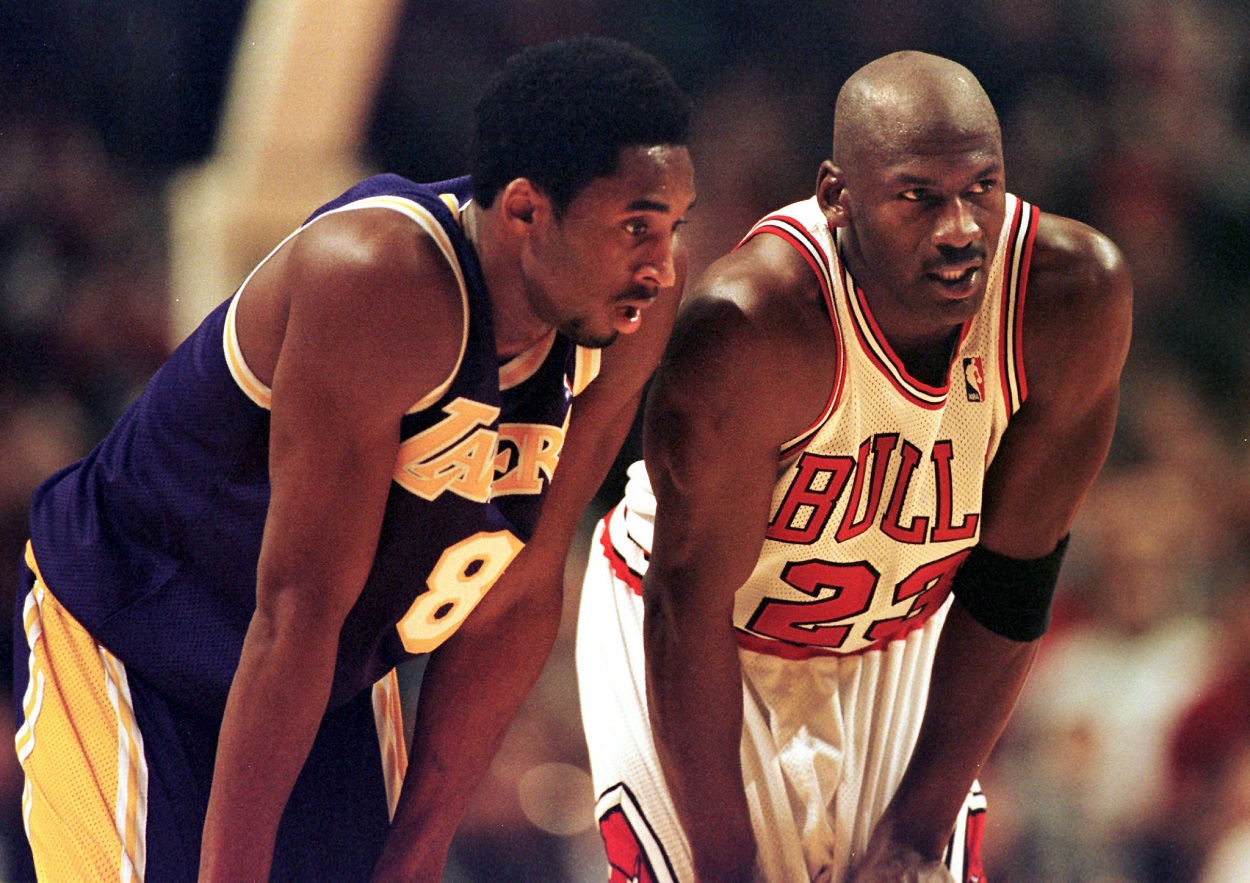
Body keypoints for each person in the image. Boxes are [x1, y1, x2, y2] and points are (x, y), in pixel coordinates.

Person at [14, 36, 695, 882]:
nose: (662, 268)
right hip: (136, 624)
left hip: (322, 670)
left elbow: (517, 598)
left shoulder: (621, 316)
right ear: (524, 210)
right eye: (637, 227)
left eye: (673, 228)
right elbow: (294, 611)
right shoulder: (380, 280)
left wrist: (416, 851)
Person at [576, 50, 1131, 882]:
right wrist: (729, 867)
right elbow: (687, 609)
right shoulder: (753, 323)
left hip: (894, 632)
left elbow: (1014, 584)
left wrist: (918, 825)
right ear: (837, 197)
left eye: (982, 187)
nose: (960, 229)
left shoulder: (1071, 295)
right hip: (704, 628)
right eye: (918, 197)